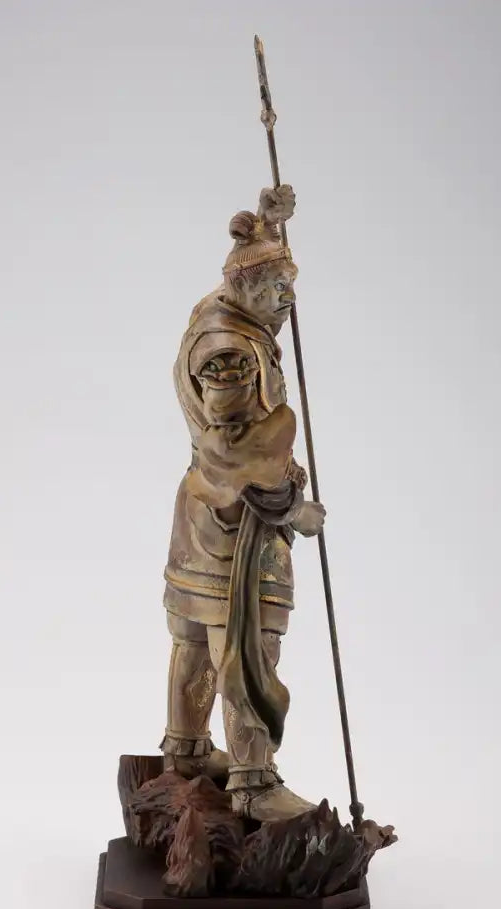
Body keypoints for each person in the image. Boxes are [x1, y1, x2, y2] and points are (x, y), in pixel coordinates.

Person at [160, 184, 326, 822]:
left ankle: (185, 754)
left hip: (202, 515)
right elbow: (230, 451)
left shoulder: (219, 310)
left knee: (195, 635)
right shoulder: (229, 350)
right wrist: (292, 507)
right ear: (249, 287)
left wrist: (268, 225)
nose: (289, 299)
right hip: (238, 521)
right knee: (245, 645)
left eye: (291, 285)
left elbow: (244, 264)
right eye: (278, 287)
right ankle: (252, 783)